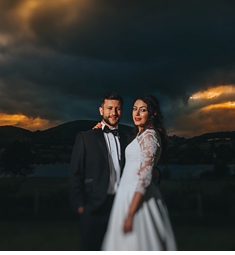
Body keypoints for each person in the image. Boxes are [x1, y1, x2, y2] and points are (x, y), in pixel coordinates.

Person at [102, 94, 177, 251]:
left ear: (152, 113)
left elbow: (144, 176)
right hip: (127, 194)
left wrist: (131, 213)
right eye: (134, 109)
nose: (136, 113)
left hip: (138, 198)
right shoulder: (140, 135)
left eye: (142, 110)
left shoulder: (149, 135)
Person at [70, 92, 134, 251]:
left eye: (118, 108)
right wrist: (80, 206)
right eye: (110, 108)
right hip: (94, 207)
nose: (114, 112)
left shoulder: (129, 139)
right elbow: (75, 173)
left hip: (122, 208)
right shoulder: (86, 137)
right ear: (101, 110)